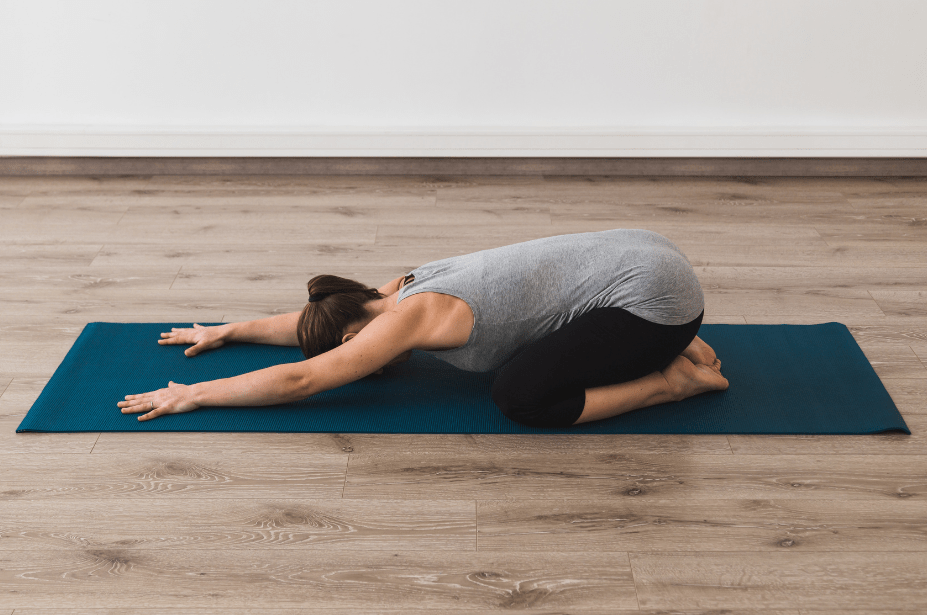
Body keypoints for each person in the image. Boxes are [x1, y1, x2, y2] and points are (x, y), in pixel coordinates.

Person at [118, 229, 728, 427]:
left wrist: (192, 394)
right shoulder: (396, 288)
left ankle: (675, 379)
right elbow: (312, 329)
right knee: (542, 345)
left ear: (354, 338)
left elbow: (302, 380)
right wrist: (233, 330)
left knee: (520, 397)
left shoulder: (413, 315)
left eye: (350, 348)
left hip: (658, 298)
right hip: (645, 256)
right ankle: (663, 335)